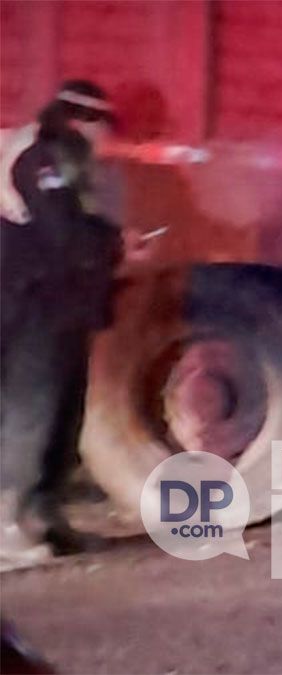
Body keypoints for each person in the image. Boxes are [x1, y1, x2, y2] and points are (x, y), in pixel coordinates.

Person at [0, 80, 121, 561]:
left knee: (61, 416)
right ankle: (10, 527)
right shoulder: (41, 159)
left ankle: (44, 519)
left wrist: (111, 240)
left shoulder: (64, 161)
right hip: (30, 306)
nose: (108, 140)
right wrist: (116, 245)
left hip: (57, 307)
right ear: (79, 122)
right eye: (105, 126)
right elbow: (63, 235)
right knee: (31, 413)